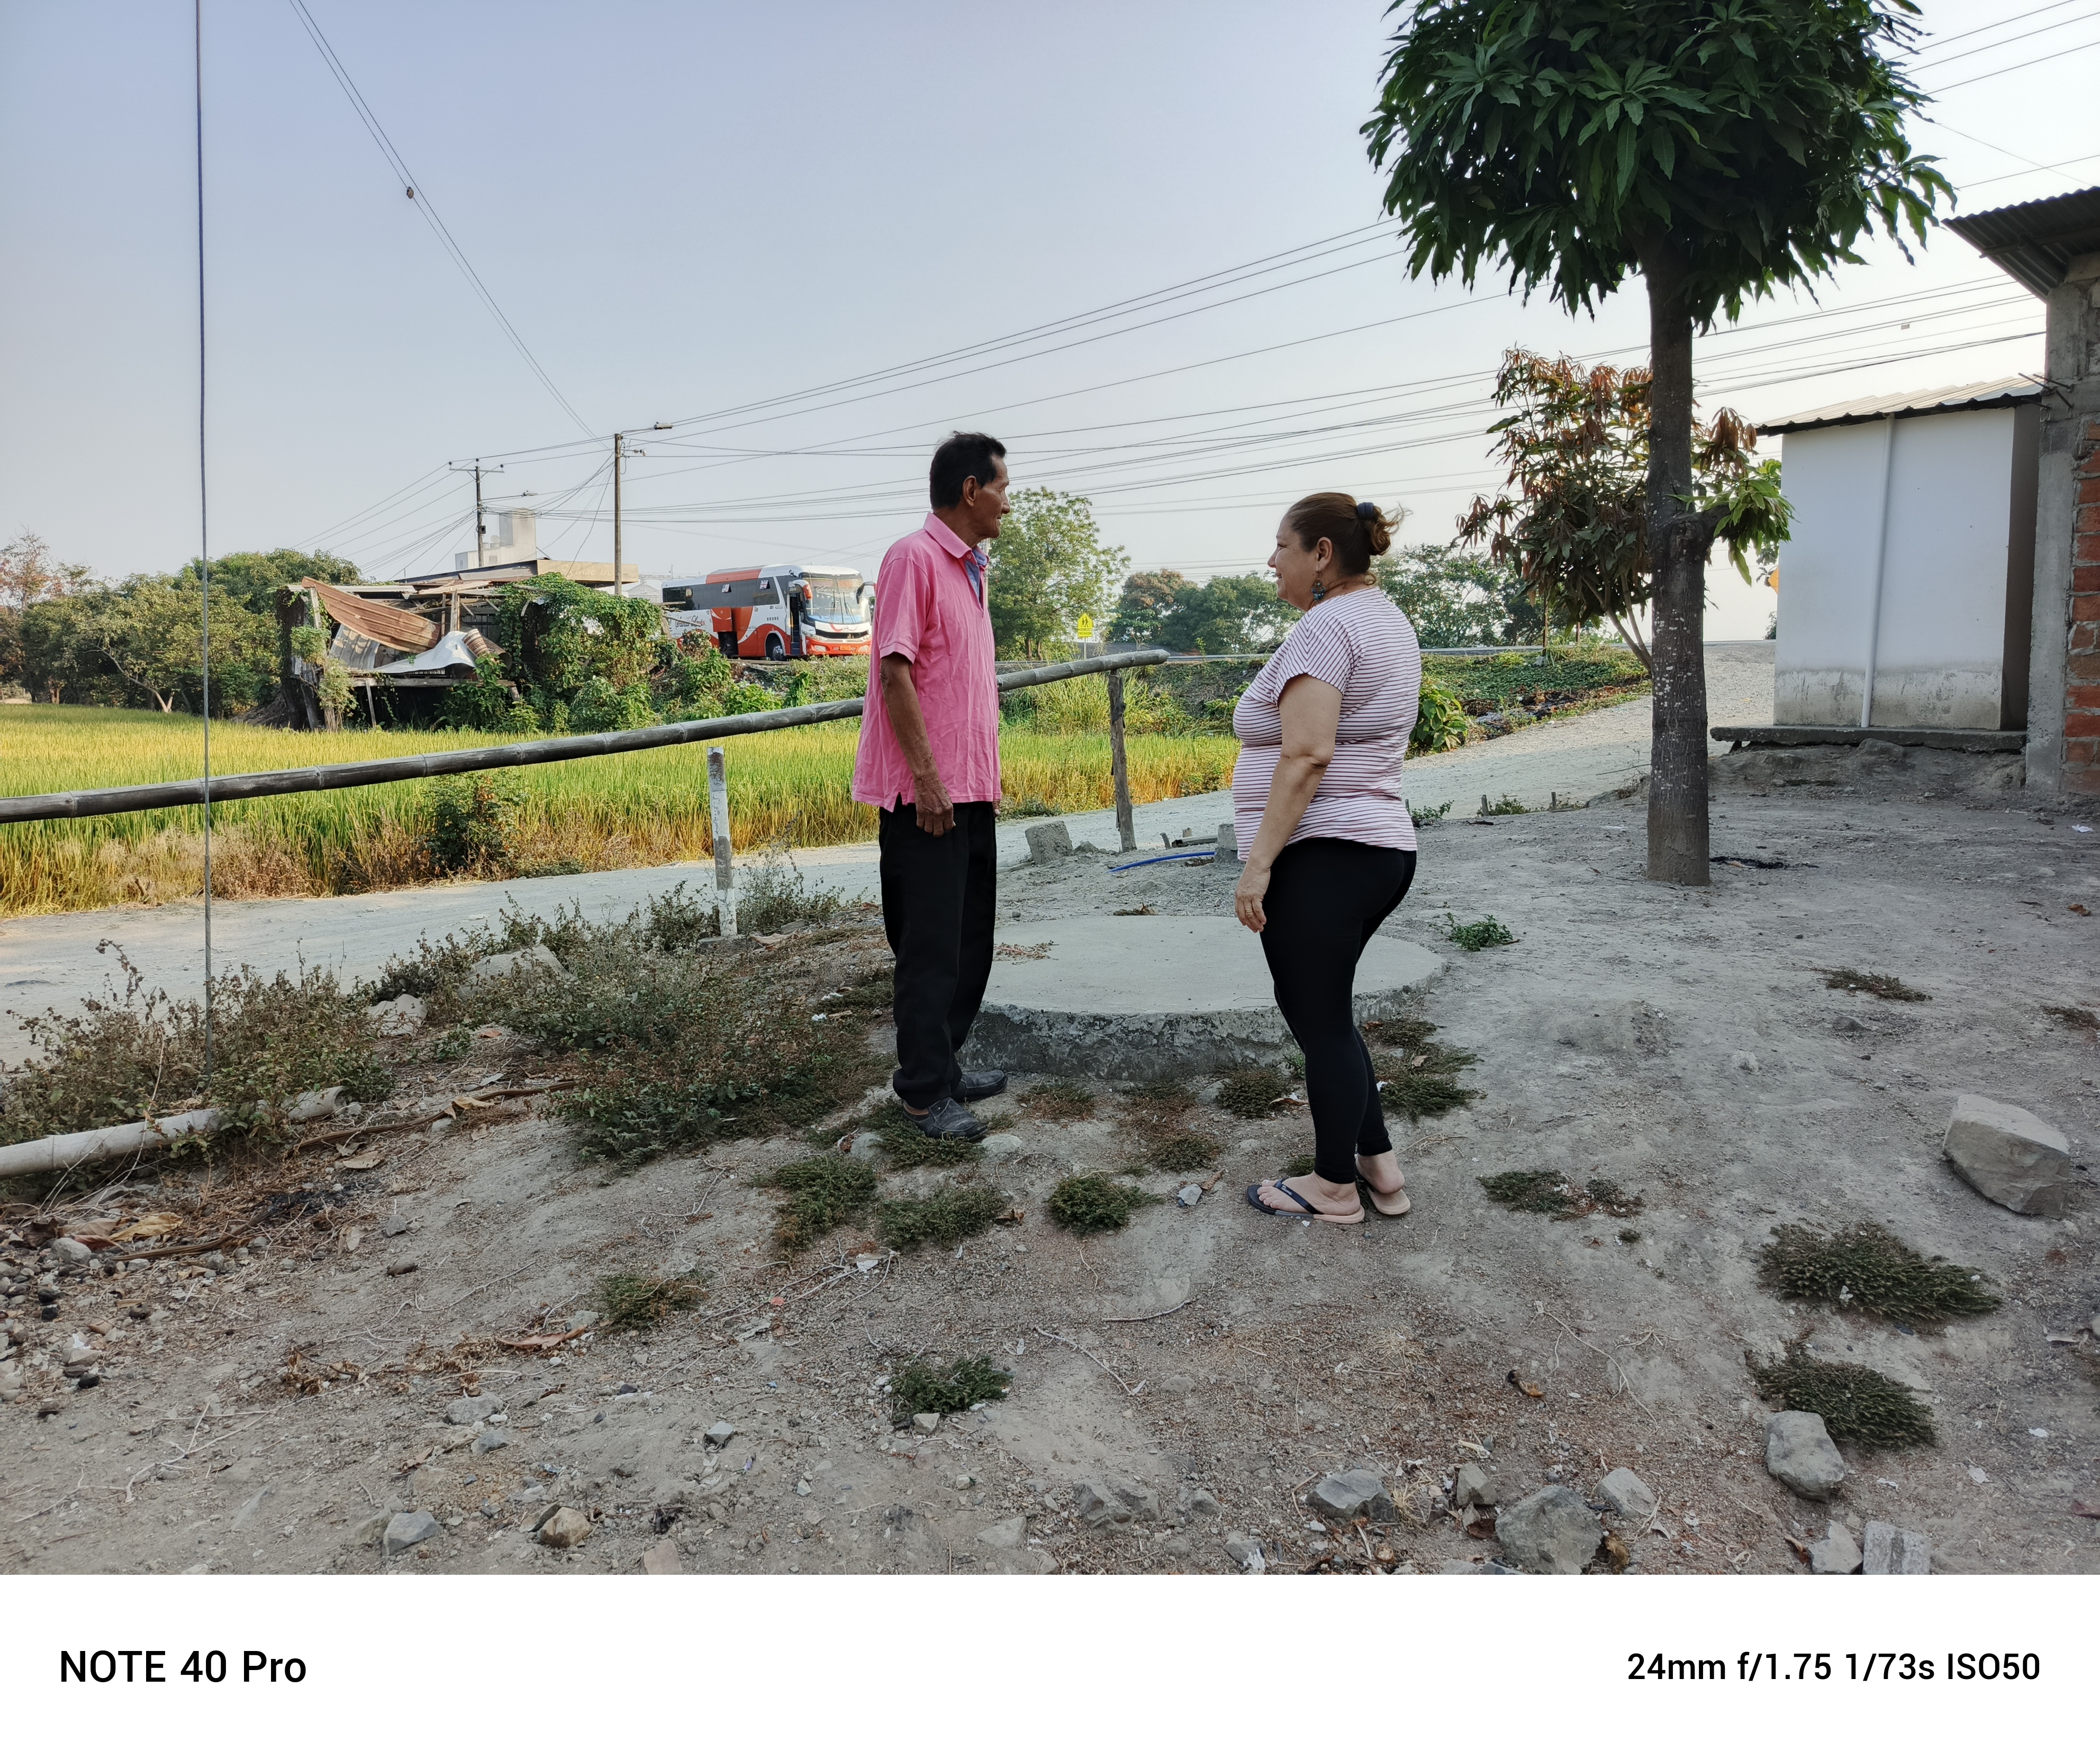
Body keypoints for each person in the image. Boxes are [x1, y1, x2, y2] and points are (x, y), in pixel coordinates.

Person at [1232, 494, 1422, 1224]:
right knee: (1327, 1016)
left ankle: (1333, 1188)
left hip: (1325, 853)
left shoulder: (1326, 626)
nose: (1271, 560)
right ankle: (1378, 1165)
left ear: (1321, 554)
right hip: (1376, 850)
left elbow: (1308, 754)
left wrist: (1259, 865)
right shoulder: (1385, 618)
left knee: (1320, 1019)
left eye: (1282, 545)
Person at [851, 432, 1012, 1139]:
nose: (1008, 502)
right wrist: (927, 781)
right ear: (972, 490)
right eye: (1002, 488)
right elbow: (895, 673)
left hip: (972, 789)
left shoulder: (972, 569)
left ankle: (944, 1065)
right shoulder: (912, 558)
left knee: (971, 940)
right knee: (929, 948)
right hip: (928, 797)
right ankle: (922, 1092)